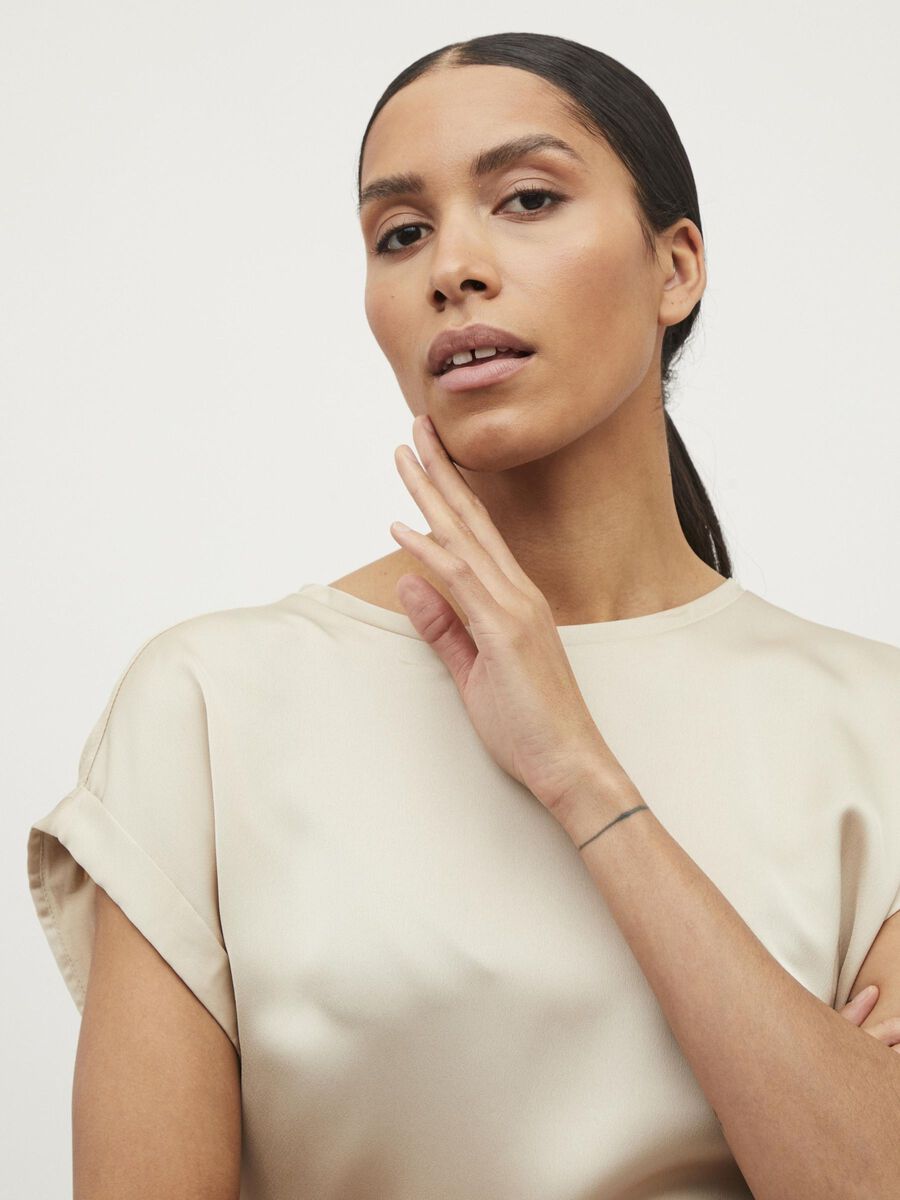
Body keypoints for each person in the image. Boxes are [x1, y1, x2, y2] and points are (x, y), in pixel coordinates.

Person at [27, 31, 900, 1200]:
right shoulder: (210, 711)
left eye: (527, 199)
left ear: (675, 267)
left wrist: (578, 771)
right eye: (401, 232)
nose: (454, 267)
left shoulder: (875, 730)